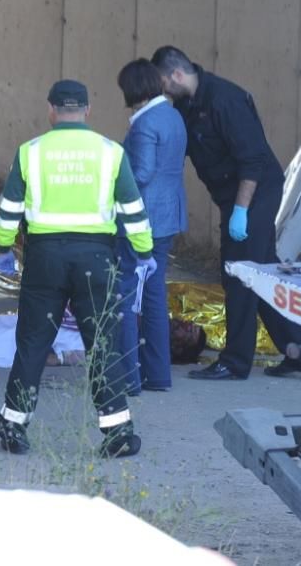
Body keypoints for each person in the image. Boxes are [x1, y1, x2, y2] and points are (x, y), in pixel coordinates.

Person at [0, 79, 157, 458]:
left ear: (51, 110)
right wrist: (144, 250)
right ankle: (117, 433)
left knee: (33, 342)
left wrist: (4, 246)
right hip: (96, 257)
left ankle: (13, 426)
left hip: (44, 257)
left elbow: (8, 211)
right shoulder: (110, 152)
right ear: (87, 110)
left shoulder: (30, 151)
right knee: (103, 346)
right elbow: (133, 209)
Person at [151, 45, 301, 380]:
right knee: (261, 272)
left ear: (176, 75)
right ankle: (299, 347)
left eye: (163, 83)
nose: (162, 90)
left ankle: (235, 362)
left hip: (254, 191)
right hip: (231, 195)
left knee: (240, 274)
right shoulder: (185, 105)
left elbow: (252, 161)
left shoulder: (225, 100)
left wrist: (241, 212)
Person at [113, 58, 188, 395]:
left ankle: (127, 377)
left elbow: (141, 173)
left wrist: (110, 182)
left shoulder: (144, 124)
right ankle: (158, 374)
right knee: (154, 295)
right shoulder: (173, 116)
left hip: (141, 220)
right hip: (168, 216)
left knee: (125, 295)